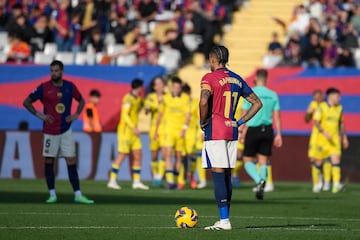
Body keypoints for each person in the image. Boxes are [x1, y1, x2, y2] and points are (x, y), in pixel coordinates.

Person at [200, 45, 262, 230]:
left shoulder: (209, 78)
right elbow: (257, 103)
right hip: (231, 129)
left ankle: (224, 221)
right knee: (226, 175)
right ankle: (224, 218)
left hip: (216, 130)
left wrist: (203, 122)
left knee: (218, 175)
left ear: (213, 59)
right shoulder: (237, 78)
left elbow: (204, 101)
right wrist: (240, 122)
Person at [23, 60, 94, 204]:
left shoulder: (69, 86)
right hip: (50, 131)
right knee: (49, 161)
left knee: (71, 160)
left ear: (62, 72)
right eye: (51, 71)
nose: (53, 73)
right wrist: (40, 115)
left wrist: (76, 115)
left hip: (65, 129)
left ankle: (78, 194)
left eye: (56, 71)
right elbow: (26, 102)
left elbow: (81, 100)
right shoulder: (44, 88)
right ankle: (52, 194)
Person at [241, 69, 282, 200]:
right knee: (263, 160)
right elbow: (277, 117)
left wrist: (241, 131)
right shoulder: (273, 94)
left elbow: (244, 114)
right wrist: (279, 134)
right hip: (268, 129)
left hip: (253, 129)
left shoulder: (250, 93)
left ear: (255, 79)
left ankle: (259, 180)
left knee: (247, 159)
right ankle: (262, 184)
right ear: (266, 80)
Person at [107, 79, 149, 190]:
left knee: (138, 154)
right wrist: (133, 127)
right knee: (122, 155)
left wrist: (147, 108)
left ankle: (136, 182)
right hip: (126, 131)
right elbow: (125, 115)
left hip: (134, 133)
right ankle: (112, 180)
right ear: (139, 87)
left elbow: (143, 106)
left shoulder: (138, 99)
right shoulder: (128, 99)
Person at [155, 76, 190, 190]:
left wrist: (184, 129)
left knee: (179, 156)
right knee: (168, 154)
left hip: (180, 132)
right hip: (168, 131)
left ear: (180, 88)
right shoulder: (165, 98)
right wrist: (156, 130)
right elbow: (160, 115)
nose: (176, 89)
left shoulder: (185, 98)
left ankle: (178, 180)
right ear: (171, 87)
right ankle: (170, 181)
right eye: (174, 87)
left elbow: (187, 116)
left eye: (178, 87)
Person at [313, 88, 349, 193]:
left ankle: (336, 185)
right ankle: (316, 183)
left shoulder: (340, 108)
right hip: (322, 140)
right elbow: (316, 122)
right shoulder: (322, 107)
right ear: (331, 96)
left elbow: (341, 123)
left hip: (335, 140)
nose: (339, 98)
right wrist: (324, 132)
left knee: (336, 161)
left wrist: (344, 137)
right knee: (318, 163)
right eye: (338, 96)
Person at [305, 89, 329, 192]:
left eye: (318, 96)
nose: (316, 99)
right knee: (312, 159)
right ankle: (318, 179)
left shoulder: (327, 106)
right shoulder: (313, 104)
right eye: (314, 97)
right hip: (315, 136)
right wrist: (308, 113)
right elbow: (306, 120)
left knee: (325, 159)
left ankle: (326, 182)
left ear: (322, 96)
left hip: (325, 136)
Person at [144, 76, 166, 187]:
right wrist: (149, 107)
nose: (159, 86)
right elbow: (146, 110)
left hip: (166, 129)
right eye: (157, 84)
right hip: (153, 129)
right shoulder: (151, 97)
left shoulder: (167, 97)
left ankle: (159, 177)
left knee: (164, 153)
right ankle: (155, 175)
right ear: (154, 87)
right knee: (154, 154)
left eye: (161, 83)